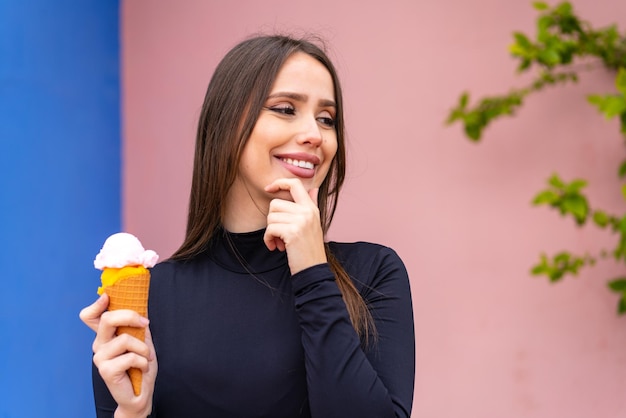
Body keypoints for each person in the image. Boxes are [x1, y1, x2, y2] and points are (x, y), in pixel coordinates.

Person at [80, 34, 415, 418]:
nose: (315, 135)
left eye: (327, 119)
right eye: (286, 109)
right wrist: (132, 413)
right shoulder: (149, 302)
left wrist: (311, 268)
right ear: (227, 124)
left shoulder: (373, 274)